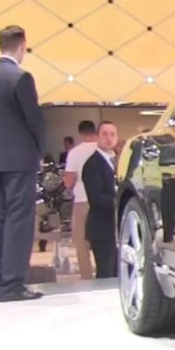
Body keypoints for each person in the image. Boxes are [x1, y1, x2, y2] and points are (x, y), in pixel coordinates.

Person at [0, 25, 45, 303]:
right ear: (21, 46)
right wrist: (39, 151)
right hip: (21, 159)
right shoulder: (21, 77)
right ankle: (14, 284)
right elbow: (34, 121)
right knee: (20, 220)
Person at [81, 121, 119, 280]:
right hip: (102, 228)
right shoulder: (92, 164)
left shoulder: (118, 161)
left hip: (118, 228)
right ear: (96, 137)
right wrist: (119, 202)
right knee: (106, 273)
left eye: (113, 134)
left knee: (119, 273)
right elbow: (96, 198)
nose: (109, 138)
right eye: (104, 134)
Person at [62, 120, 99, 280]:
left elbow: (69, 181)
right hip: (104, 201)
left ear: (80, 133)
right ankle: (107, 276)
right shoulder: (105, 150)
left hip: (82, 201)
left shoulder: (75, 152)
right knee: (104, 241)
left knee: (81, 244)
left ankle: (87, 278)